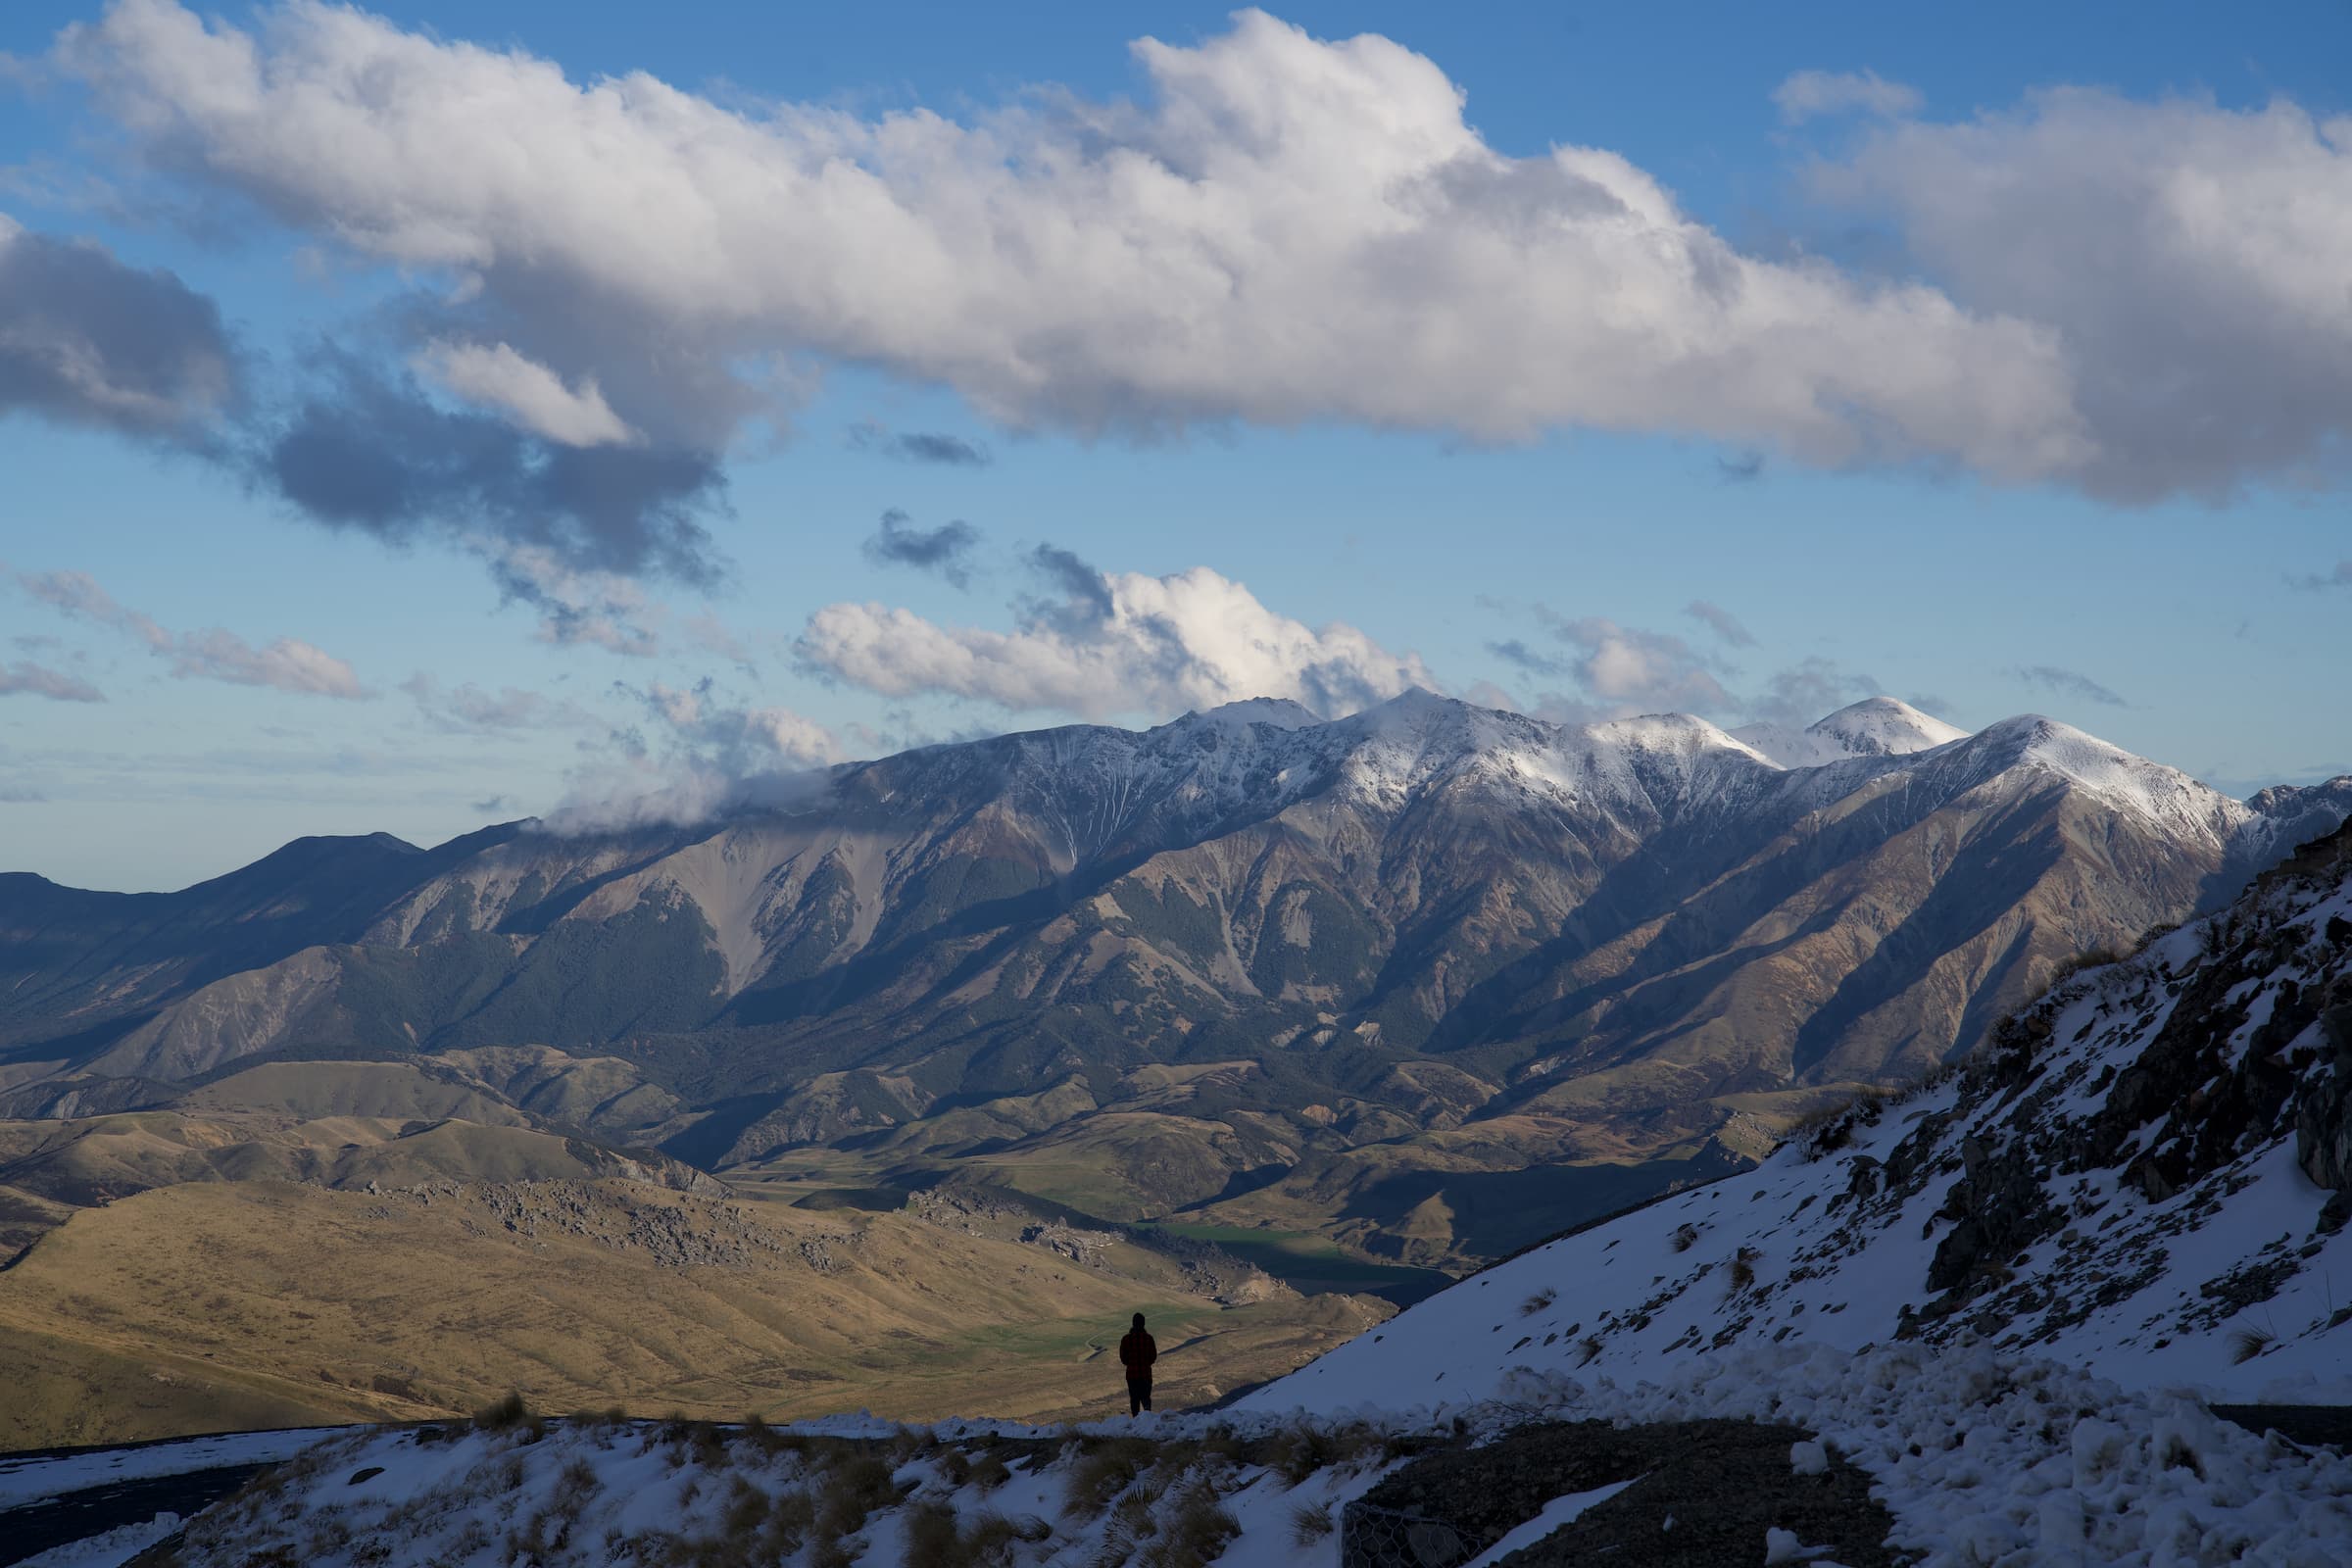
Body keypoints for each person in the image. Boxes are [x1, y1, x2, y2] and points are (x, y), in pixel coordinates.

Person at [1118, 1311, 1157, 1416]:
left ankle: (1136, 1423)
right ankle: (1147, 1422)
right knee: (1146, 1400)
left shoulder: (1126, 1339)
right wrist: (1146, 1364)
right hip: (1146, 1375)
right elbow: (1153, 1356)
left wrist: (1131, 1364)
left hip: (1132, 1375)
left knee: (1134, 1400)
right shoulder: (1149, 1338)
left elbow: (1123, 1358)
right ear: (1144, 1324)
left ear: (1133, 1323)